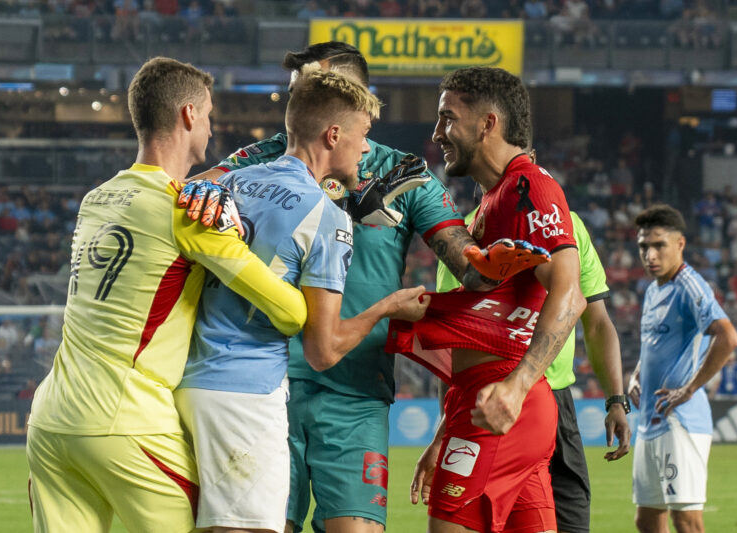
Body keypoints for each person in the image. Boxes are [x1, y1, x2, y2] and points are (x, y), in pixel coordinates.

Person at [183, 42, 487, 533]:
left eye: (307, 89)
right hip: (266, 386)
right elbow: (194, 189)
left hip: (355, 390)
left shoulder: (403, 175)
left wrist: (506, 249)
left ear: (351, 98)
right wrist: (197, 187)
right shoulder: (255, 161)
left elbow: (466, 260)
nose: (293, 104)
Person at [24, 57, 308, 533]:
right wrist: (230, 232)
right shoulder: (188, 210)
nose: (212, 127)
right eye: (211, 115)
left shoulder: (96, 198)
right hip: (127, 421)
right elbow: (290, 311)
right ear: (189, 115)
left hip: (51, 422)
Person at [391, 66, 587, 533]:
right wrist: (444, 431)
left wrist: (517, 387)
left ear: (487, 123)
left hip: (499, 401)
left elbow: (571, 294)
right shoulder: (495, 200)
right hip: (487, 403)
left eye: (447, 118)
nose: (437, 133)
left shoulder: (528, 187)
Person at [435, 199, 632, 533]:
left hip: (554, 404)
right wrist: (447, 422)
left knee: (569, 523)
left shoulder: (569, 225)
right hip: (490, 402)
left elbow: (597, 323)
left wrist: (616, 399)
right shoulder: (464, 234)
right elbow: (453, 337)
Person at [627, 204, 737, 533]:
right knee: (647, 519)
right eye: (643, 246)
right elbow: (654, 346)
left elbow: (728, 337)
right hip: (650, 420)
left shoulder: (690, 284)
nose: (650, 254)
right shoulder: (652, 289)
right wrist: (635, 375)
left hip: (679, 420)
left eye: (659, 245)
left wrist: (689, 388)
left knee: (686, 520)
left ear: (680, 244)